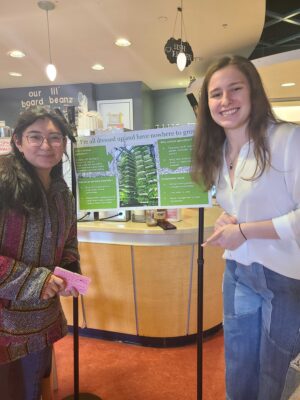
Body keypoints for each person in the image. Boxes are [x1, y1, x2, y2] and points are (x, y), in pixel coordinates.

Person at [191, 55, 300, 400]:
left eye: (234, 89)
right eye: (216, 93)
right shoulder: (219, 151)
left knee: (276, 372)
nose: (225, 101)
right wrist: (231, 220)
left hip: (284, 277)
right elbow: (241, 207)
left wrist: (246, 230)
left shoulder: (287, 140)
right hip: (237, 270)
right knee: (238, 364)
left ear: (253, 91)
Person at [0, 107, 80, 399]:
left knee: (36, 386)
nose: (46, 145)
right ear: (18, 142)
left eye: (54, 138)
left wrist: (72, 271)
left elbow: (69, 239)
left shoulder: (62, 192)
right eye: (35, 137)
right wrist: (38, 281)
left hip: (43, 318)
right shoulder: (4, 185)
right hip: (6, 325)